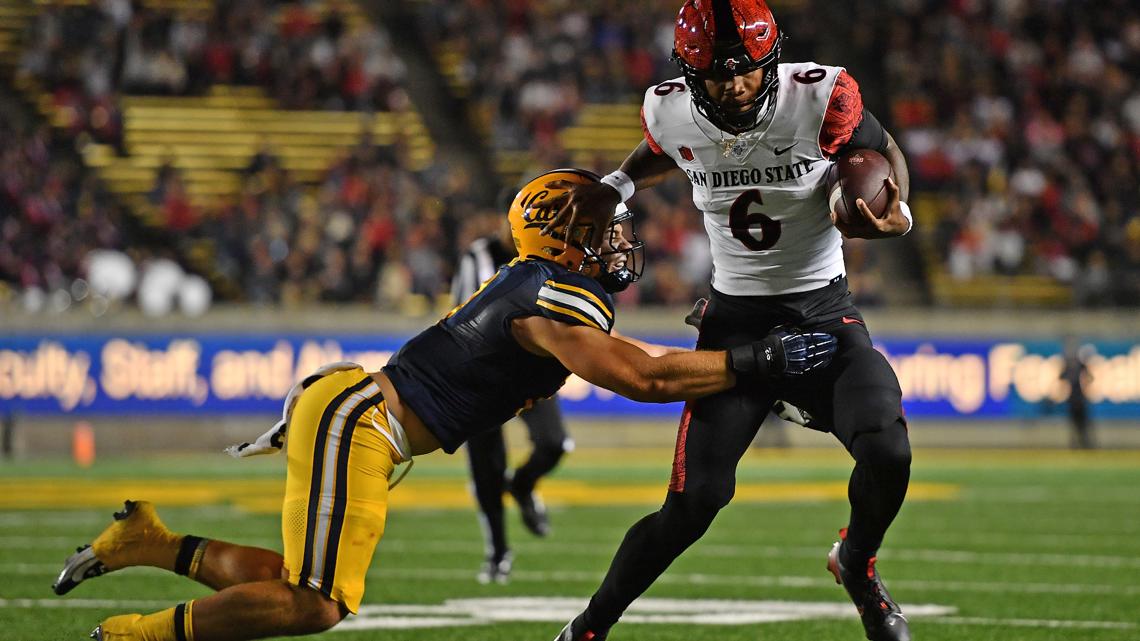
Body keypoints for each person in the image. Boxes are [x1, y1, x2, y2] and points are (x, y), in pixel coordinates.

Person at [52, 168, 838, 641]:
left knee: (302, 584)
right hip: (363, 417)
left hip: (360, 414)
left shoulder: (546, 288)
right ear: (566, 239)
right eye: (606, 230)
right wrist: (756, 361)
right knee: (319, 603)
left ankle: (146, 541)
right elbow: (645, 379)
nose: (621, 242)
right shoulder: (545, 295)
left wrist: (735, 360)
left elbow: (650, 369)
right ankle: (137, 634)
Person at [546, 2, 916, 640]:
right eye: (717, 76)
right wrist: (617, 184)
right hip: (735, 324)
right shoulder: (668, 108)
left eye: (746, 71)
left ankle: (856, 563)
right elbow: (665, 150)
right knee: (693, 505)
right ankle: (589, 627)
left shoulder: (822, 96)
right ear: (690, 74)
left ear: (771, 59)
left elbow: (881, 154)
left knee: (887, 447)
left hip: (823, 313)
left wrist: (893, 210)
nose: (735, 85)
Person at [452, 213, 574, 583]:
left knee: (555, 443)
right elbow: (470, 310)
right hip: (481, 370)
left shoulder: (546, 253)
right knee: (487, 463)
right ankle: (498, 551)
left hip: (530, 368)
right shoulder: (479, 256)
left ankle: (521, 485)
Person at [1060, 337, 1095, 449]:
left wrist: (1085, 384)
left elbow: (1090, 377)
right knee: (1076, 424)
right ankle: (1077, 444)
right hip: (1074, 399)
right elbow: (1061, 377)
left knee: (1082, 424)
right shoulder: (1070, 365)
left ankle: (1084, 443)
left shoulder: (1079, 365)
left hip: (1079, 399)